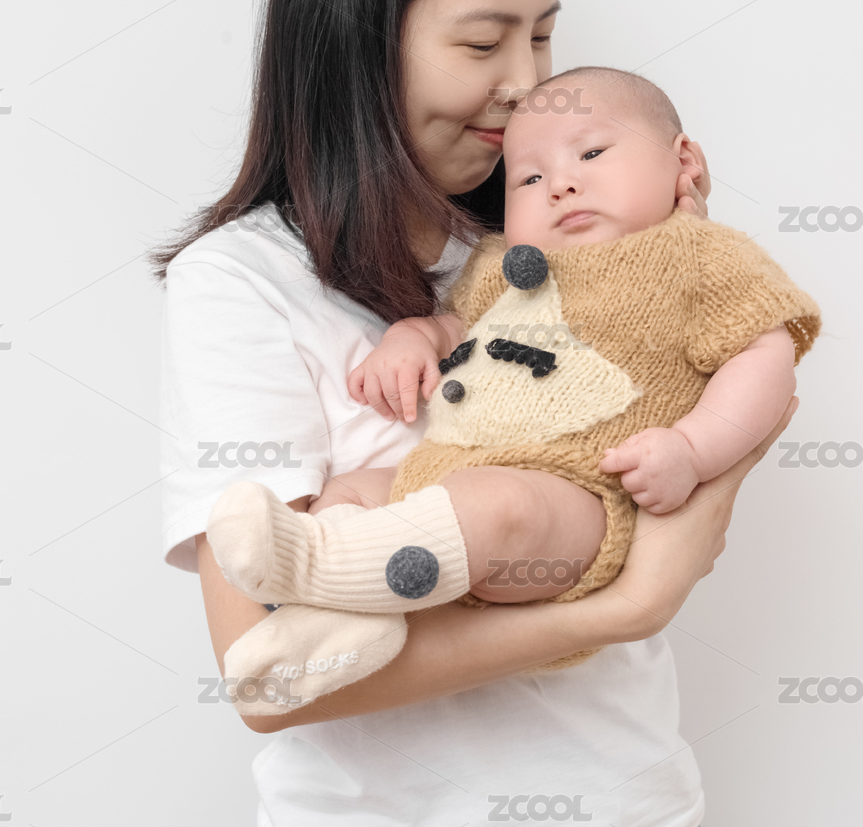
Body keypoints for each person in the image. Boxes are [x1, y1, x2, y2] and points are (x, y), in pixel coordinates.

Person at [155, 0, 797, 823]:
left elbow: (720, 433)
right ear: (358, 40)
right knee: (358, 516)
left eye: (541, 36)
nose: (525, 83)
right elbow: (266, 684)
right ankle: (341, 568)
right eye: (481, 42)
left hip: (619, 798)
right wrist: (627, 606)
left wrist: (674, 246)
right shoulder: (244, 282)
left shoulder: (570, 240)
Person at [206, 67, 822, 707]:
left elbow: (764, 353)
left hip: (579, 499)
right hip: (442, 474)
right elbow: (459, 326)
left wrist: (693, 449)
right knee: (359, 490)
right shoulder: (501, 264)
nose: (560, 185)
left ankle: (314, 566)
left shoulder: (702, 254)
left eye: (592, 153)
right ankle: (343, 621)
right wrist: (414, 337)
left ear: (684, 161)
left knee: (501, 506)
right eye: (528, 179)